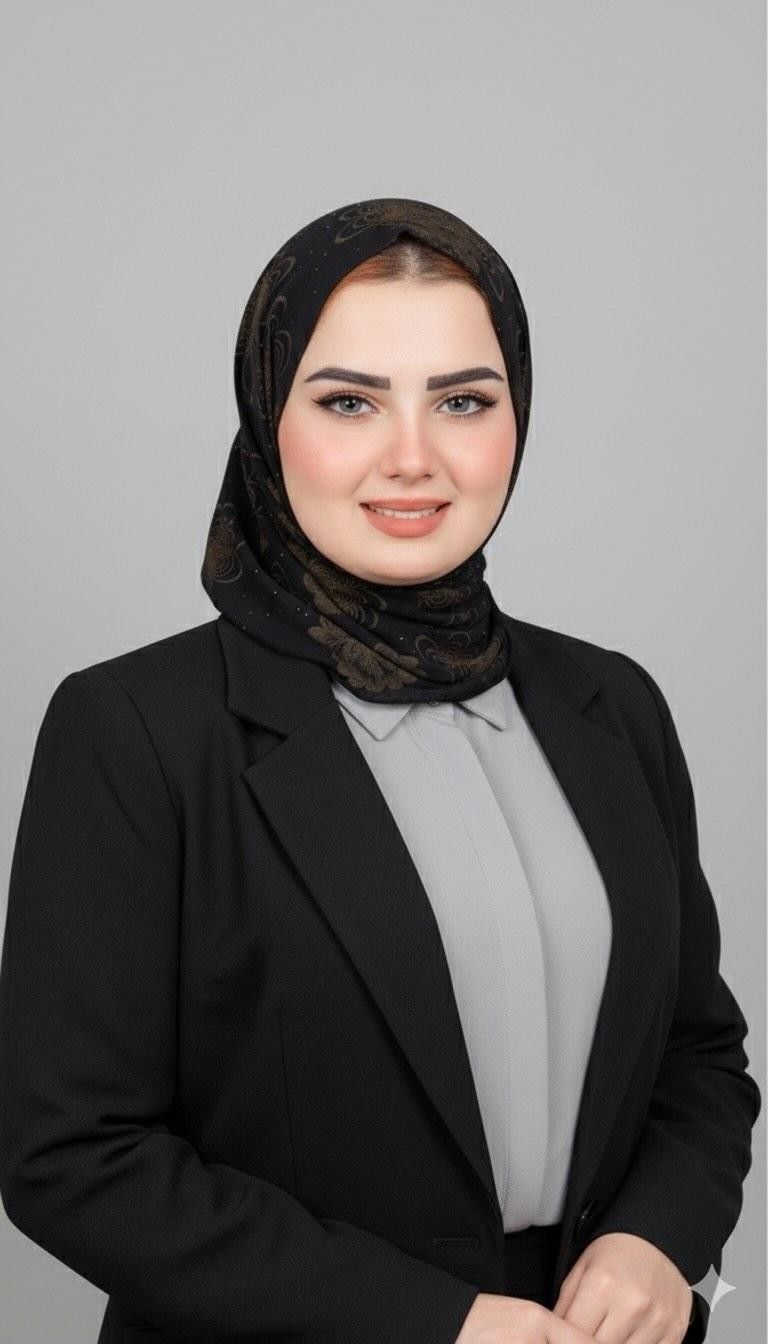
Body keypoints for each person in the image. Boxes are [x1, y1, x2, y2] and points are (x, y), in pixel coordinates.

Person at [0, 197, 760, 1344]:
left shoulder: (613, 705)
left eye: (463, 401)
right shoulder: (137, 730)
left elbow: (698, 1055)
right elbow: (71, 1155)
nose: (414, 457)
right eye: (349, 401)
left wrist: (660, 1239)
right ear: (268, 415)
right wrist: (437, 1324)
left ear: (518, 416)